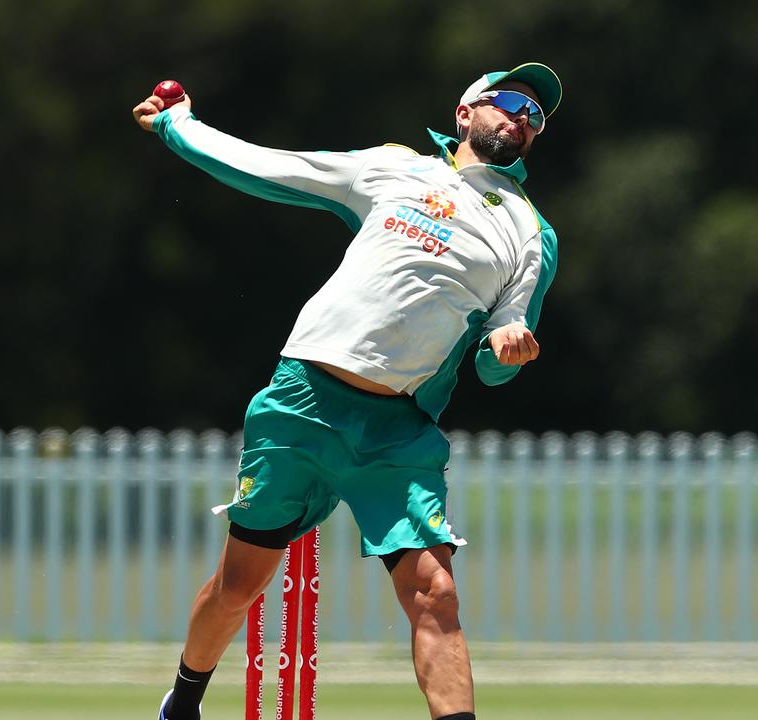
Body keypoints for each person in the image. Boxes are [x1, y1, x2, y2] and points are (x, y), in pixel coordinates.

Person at [132, 62, 562, 720]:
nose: (521, 118)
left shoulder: (530, 232)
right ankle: (181, 704)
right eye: (508, 101)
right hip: (302, 400)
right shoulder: (394, 167)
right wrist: (177, 125)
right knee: (240, 584)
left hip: (397, 430)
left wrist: (509, 351)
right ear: (465, 112)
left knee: (434, 595)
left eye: (535, 115)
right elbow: (271, 167)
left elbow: (499, 355)